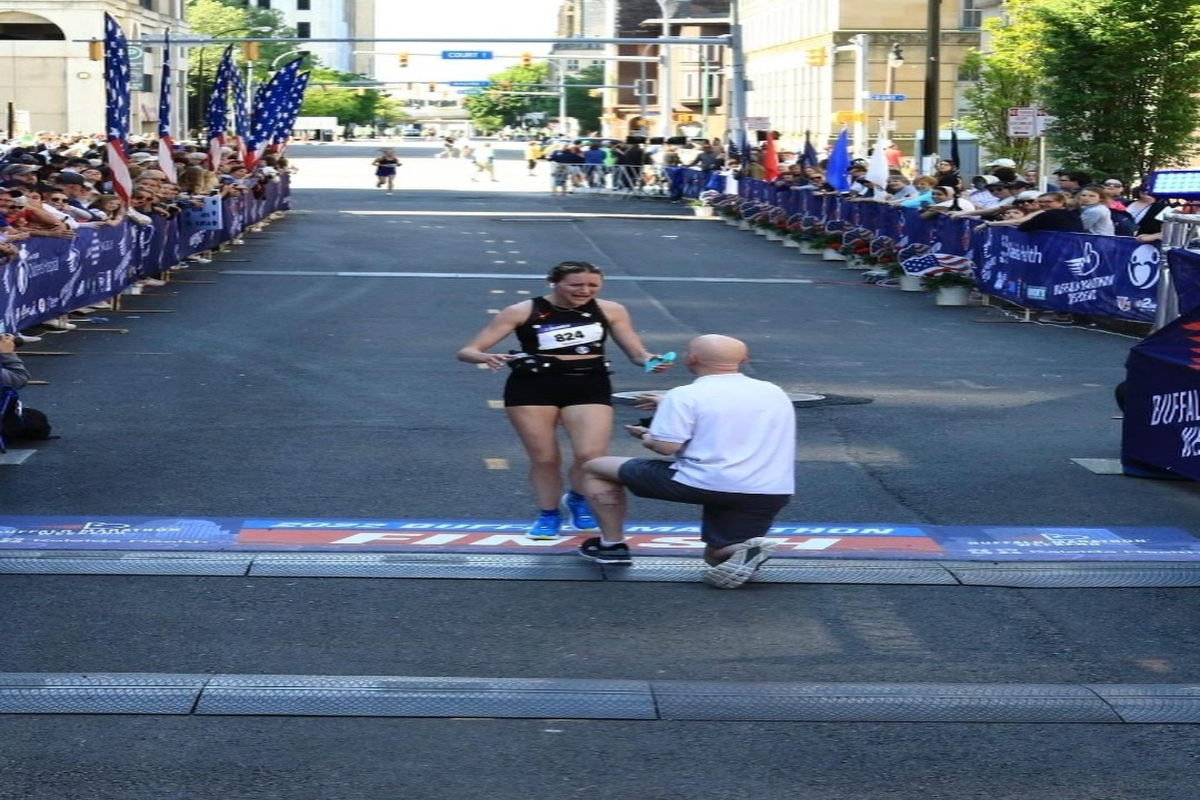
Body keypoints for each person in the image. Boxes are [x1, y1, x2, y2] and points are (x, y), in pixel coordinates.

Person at [456, 261, 673, 540]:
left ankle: (579, 498)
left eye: (593, 285)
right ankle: (547, 514)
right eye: (576, 285)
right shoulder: (522, 311)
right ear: (553, 283)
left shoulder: (611, 310)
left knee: (591, 455)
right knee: (545, 458)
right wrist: (485, 356)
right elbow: (468, 351)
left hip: (588, 384)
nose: (585, 291)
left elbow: (636, 353)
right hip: (533, 386)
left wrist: (651, 361)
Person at [576, 334, 796, 590]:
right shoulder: (774, 391)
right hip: (767, 490)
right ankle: (742, 549)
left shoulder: (684, 395)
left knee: (595, 468)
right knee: (715, 556)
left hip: (703, 482)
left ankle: (611, 545)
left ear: (690, 358)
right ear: (744, 360)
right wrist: (666, 405)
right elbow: (730, 413)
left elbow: (665, 448)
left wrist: (646, 435)